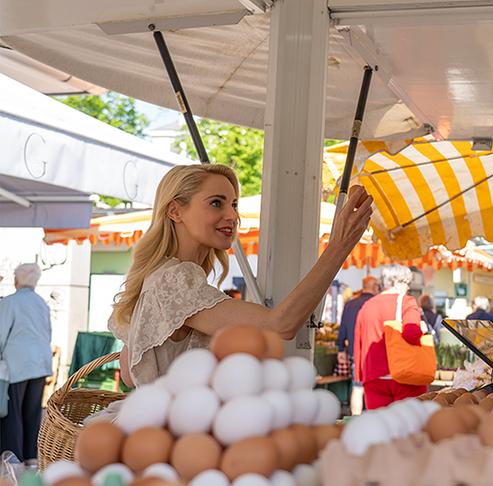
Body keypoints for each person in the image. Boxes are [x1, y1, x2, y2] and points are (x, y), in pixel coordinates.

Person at [110, 164, 372, 389]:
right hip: (177, 427)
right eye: (216, 203)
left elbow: (130, 375)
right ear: (175, 211)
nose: (233, 216)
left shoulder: (162, 275)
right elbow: (281, 325)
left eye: (234, 205)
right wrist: (338, 247)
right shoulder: (175, 279)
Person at [0, 264, 52, 466]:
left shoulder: (9, 302)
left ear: (16, 280)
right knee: (32, 411)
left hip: (16, 364)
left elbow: (1, 334)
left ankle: (13, 459)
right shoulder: (42, 303)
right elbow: (48, 332)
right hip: (40, 362)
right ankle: (31, 458)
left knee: (13, 413)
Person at [354, 265, 426, 409]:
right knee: (408, 421)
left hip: (373, 377)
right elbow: (411, 333)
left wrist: (359, 377)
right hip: (403, 376)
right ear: (397, 282)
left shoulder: (367, 306)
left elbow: (358, 342)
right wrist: (422, 329)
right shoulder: (406, 302)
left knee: (380, 421)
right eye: (407, 283)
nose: (408, 288)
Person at [337, 275, 379, 414]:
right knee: (373, 388)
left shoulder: (350, 304)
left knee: (357, 387)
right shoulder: (376, 303)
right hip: (374, 352)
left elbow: (342, 328)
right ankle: (372, 418)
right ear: (375, 287)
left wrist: (341, 349)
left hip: (355, 352)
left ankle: (355, 419)